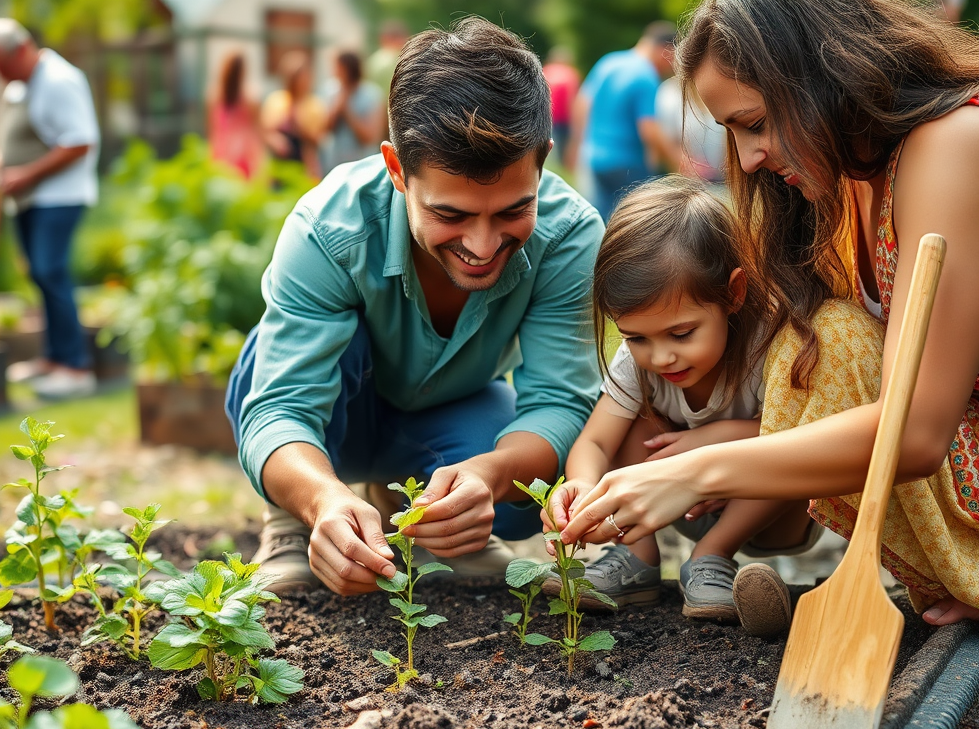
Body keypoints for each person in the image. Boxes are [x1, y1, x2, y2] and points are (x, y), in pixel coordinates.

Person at [558, 0, 979, 629]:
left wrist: (691, 470)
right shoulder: (851, 182)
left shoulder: (950, 144)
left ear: (825, 72)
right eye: (732, 133)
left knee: (829, 338)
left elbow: (915, 431)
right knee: (812, 339)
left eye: (754, 123)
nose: (748, 158)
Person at [225, 17, 604, 597]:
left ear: (543, 160)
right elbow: (280, 405)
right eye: (451, 215)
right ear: (397, 170)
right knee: (271, 366)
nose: (482, 246)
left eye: (510, 212)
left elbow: (559, 399)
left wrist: (489, 473)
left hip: (446, 415)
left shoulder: (570, 233)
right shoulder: (329, 228)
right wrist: (321, 499)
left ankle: (430, 525)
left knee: (527, 499)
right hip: (337, 417)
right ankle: (292, 522)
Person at [542, 177, 799, 636]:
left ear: (733, 294)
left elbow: (801, 439)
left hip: (770, 513)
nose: (660, 357)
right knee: (627, 416)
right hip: (670, 508)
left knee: (797, 446)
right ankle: (637, 555)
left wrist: (708, 441)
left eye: (681, 334)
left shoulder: (769, 346)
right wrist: (582, 486)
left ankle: (712, 557)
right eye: (636, 337)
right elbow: (596, 440)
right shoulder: (637, 365)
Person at [0, 18, 98, 399]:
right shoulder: (18, 86)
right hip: (28, 199)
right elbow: (10, 134)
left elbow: (80, 141)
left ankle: (75, 367)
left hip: (60, 196)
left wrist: (27, 173)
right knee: (39, 275)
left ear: (21, 49)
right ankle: (53, 357)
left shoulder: (60, 81)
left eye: (1, 64)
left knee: (51, 270)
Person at [568, 21, 679, 221]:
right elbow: (649, 130)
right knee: (637, 227)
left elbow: (582, 104)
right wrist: (677, 164)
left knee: (603, 224)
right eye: (672, 58)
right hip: (628, 165)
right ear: (665, 50)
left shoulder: (608, 62)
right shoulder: (646, 76)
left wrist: (577, 144)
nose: (671, 66)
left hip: (596, 160)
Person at [261, 51, 327, 180]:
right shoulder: (275, 100)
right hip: (279, 165)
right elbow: (264, 131)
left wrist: (298, 127)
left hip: (305, 166)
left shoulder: (315, 104)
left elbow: (319, 139)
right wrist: (275, 139)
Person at [654, 76, 726, 186]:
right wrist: (690, 167)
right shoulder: (670, 92)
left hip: (723, 179)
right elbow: (664, 140)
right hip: (688, 181)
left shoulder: (718, 86)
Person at [321, 51, 385, 173]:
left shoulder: (372, 95)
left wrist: (347, 111)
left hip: (363, 168)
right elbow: (323, 130)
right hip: (333, 167)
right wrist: (336, 109)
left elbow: (370, 137)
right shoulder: (330, 90)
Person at [208, 51, 261, 179]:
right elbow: (256, 131)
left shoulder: (215, 96)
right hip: (242, 155)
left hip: (222, 153)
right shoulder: (250, 98)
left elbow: (213, 130)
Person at [542, 46, 581, 167]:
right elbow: (572, 99)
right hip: (564, 118)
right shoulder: (570, 74)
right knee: (563, 150)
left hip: (545, 115)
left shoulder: (545, 71)